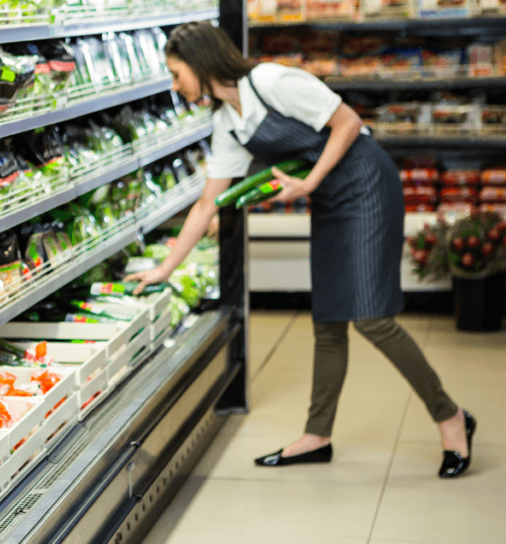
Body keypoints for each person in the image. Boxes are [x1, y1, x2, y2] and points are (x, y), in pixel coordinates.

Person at [124, 22, 476, 478]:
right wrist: (165, 267)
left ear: (200, 62)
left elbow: (347, 122)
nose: (175, 85)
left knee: (371, 318)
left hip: (366, 184)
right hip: (329, 197)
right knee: (328, 319)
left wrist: (309, 182)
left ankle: (451, 417)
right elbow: (209, 201)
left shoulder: (271, 81)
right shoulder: (226, 122)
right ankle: (317, 435)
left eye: (176, 73)